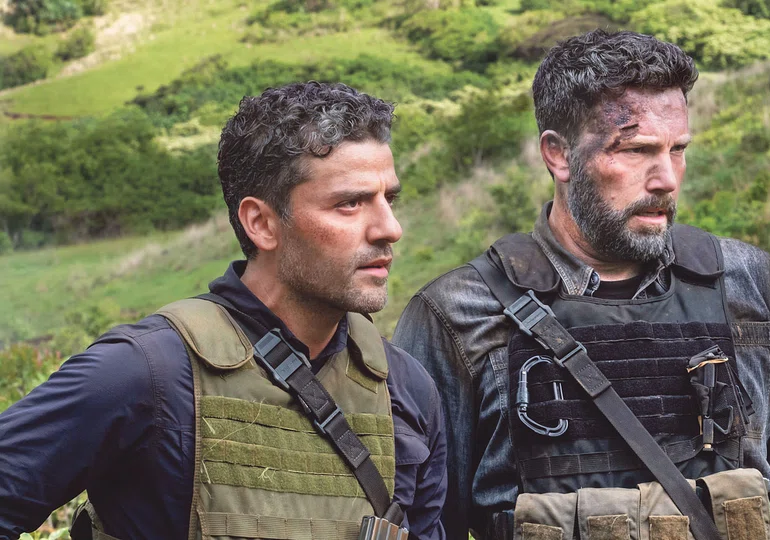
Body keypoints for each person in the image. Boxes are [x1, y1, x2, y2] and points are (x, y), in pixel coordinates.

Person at [393, 30, 770, 540]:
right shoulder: (457, 315)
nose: (667, 179)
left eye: (677, 149)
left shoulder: (753, 287)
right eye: (637, 150)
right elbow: (424, 522)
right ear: (558, 155)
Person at [0, 82, 446, 540]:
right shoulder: (144, 372)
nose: (390, 228)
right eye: (350, 203)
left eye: (389, 199)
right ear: (261, 223)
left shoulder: (406, 388)